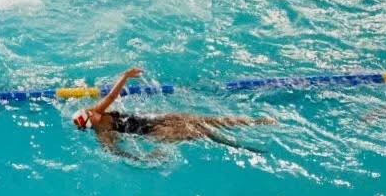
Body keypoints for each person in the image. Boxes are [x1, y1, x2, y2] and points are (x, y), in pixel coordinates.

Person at [73, 68, 274, 158]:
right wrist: (146, 159)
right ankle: (242, 147)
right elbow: (117, 152)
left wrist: (125, 75)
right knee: (201, 132)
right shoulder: (102, 134)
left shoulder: (94, 110)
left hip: (154, 118)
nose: (95, 117)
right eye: (92, 121)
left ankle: (256, 122)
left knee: (205, 120)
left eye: (92, 116)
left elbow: (110, 97)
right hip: (155, 131)